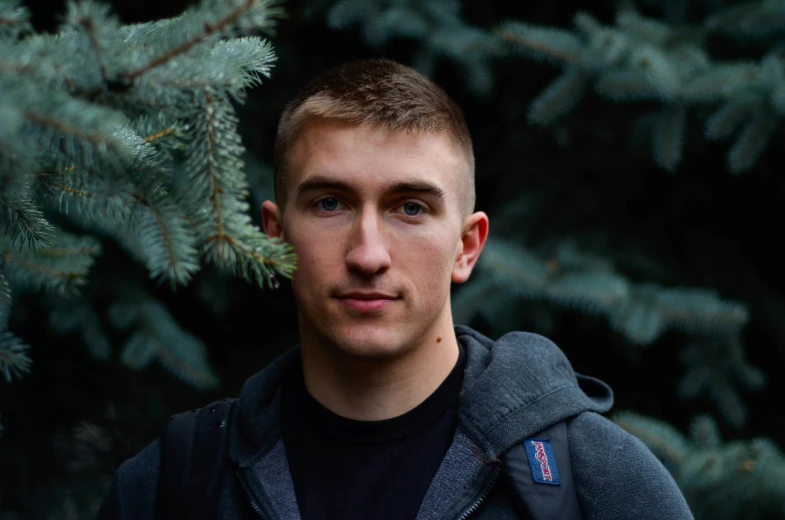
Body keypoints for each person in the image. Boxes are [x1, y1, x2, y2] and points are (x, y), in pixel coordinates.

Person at [97, 58, 694, 520]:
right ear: (277, 237)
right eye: (330, 203)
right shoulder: (171, 486)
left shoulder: (595, 482)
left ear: (466, 246)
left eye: (410, 208)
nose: (368, 254)